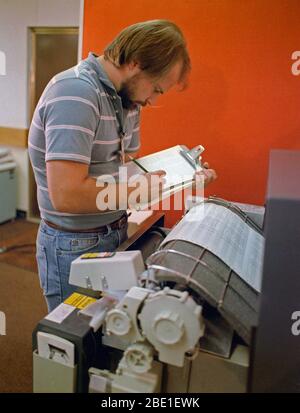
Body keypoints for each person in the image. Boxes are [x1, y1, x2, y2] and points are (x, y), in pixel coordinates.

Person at [28, 19, 217, 312]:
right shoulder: (76, 93)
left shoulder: (125, 99)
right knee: (76, 342)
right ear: (135, 63)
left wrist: (183, 176)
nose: (152, 100)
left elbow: (119, 169)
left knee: (110, 333)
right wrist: (135, 193)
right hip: (73, 243)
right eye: (156, 89)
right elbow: (66, 195)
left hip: (115, 229)